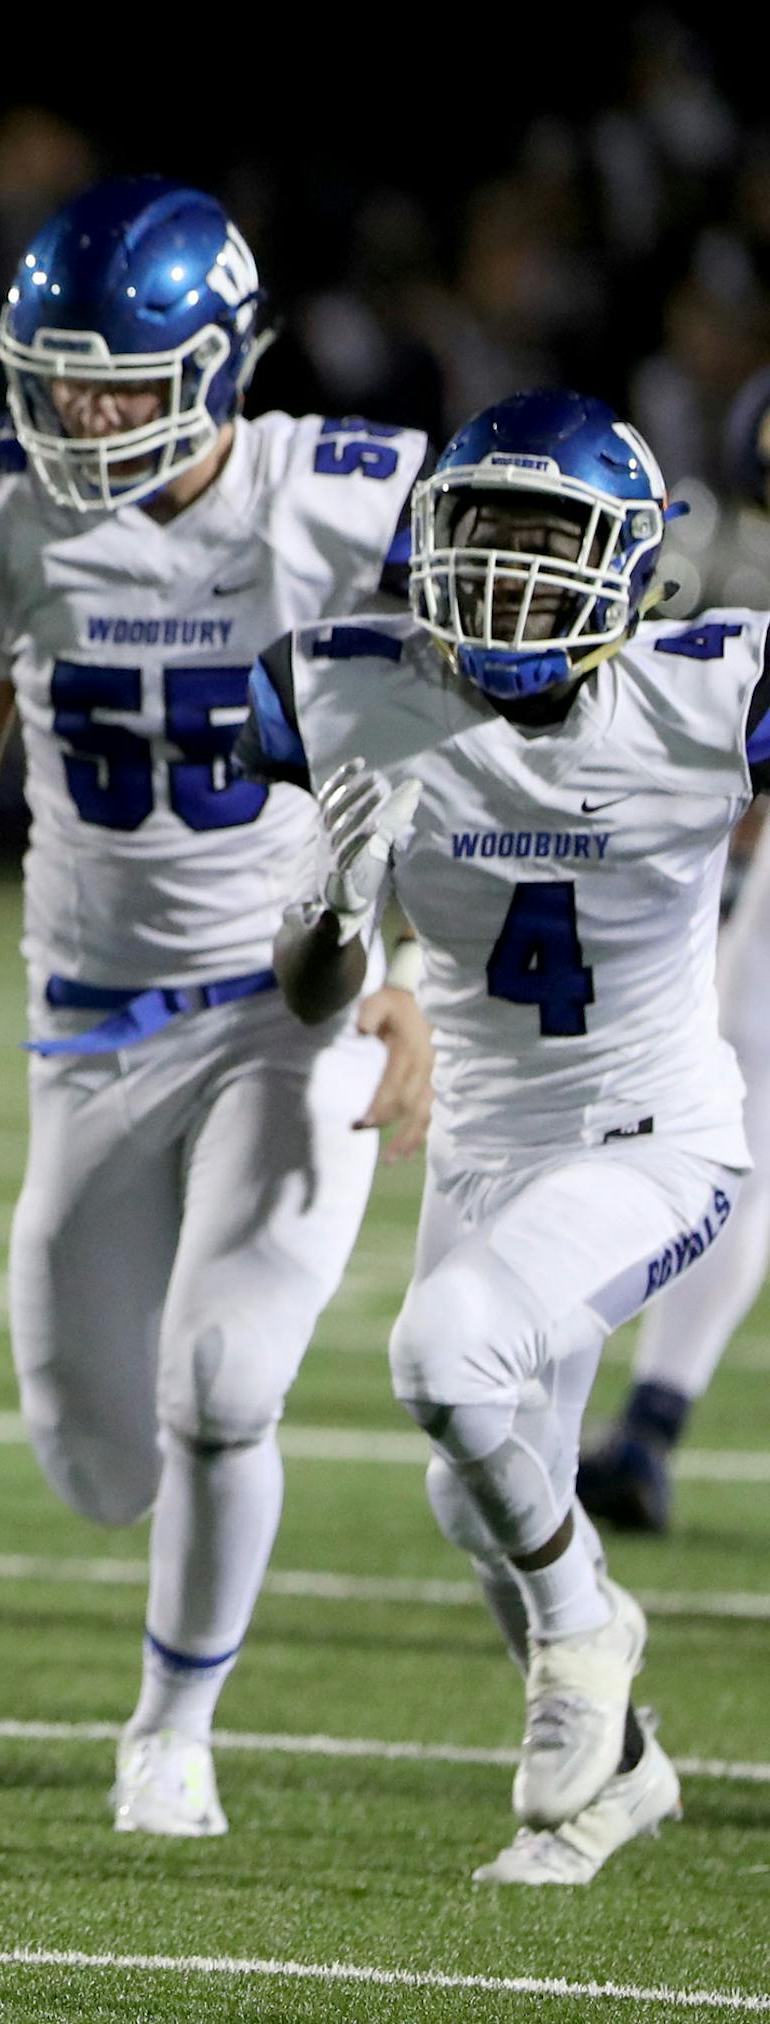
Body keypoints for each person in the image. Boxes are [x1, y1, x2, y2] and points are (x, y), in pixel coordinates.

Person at [0, 176, 433, 1837]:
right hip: (89, 1013)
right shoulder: (0, 504)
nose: (88, 416)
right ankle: (170, 1610)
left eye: (126, 384)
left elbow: (452, 756)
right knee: (96, 1461)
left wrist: (415, 973)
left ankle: (172, 1723)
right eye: (63, 382)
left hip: (295, 997)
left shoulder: (334, 502)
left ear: (223, 363)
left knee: (221, 1383)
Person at [251, 388, 763, 1884]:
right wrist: (337, 905)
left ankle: (587, 1636)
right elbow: (311, 991)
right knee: (466, 1485)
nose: (514, 579)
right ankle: (625, 1771)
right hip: (485, 1144)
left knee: (442, 1355)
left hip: (655, 1134)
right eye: (486, 539)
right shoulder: (353, 685)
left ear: (632, 564)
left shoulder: (714, 687)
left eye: (553, 545)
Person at [576, 368, 770, 1534]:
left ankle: (641, 1413)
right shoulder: (707, 541)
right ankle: (643, 1411)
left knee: (733, 1117)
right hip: (676, 872)